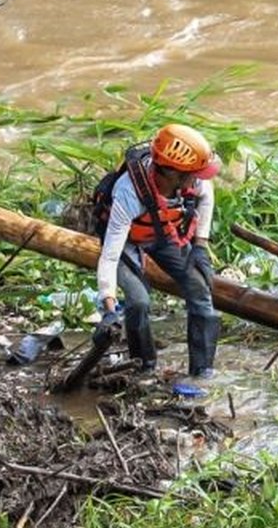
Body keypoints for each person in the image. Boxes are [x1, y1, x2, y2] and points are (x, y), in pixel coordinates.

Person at [95, 123, 221, 378]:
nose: (199, 178)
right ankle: (144, 367)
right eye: (193, 173)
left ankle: (202, 372)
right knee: (139, 301)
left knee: (201, 291)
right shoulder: (129, 193)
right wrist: (108, 306)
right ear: (172, 172)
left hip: (165, 234)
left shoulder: (194, 179)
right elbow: (109, 256)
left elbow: (207, 198)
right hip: (128, 242)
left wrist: (200, 245)